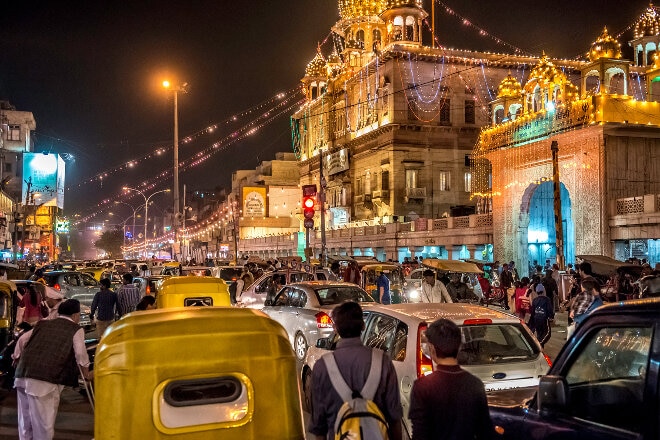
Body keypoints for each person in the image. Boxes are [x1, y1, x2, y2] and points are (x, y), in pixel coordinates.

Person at [309, 301, 402, 440]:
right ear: (363, 326)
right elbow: (394, 418)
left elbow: (319, 426)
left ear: (336, 328)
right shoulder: (382, 361)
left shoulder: (322, 366)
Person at [13, 299, 92, 440]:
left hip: (22, 374)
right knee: (43, 425)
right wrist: (86, 373)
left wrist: (17, 357)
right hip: (45, 380)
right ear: (75, 315)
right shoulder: (75, 329)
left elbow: (22, 339)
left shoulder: (42, 324)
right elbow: (80, 353)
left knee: (25, 422)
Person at [409, 318, 494, 440]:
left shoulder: (422, 387)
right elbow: (485, 431)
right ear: (459, 347)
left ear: (432, 348)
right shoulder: (475, 384)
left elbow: (420, 433)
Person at [528, 283, 554, 348]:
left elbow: (533, 311)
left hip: (536, 319)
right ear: (543, 291)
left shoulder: (535, 300)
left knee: (539, 333)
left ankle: (540, 347)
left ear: (536, 292)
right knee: (547, 334)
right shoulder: (546, 299)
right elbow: (549, 309)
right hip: (544, 319)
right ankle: (539, 344)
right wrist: (551, 316)